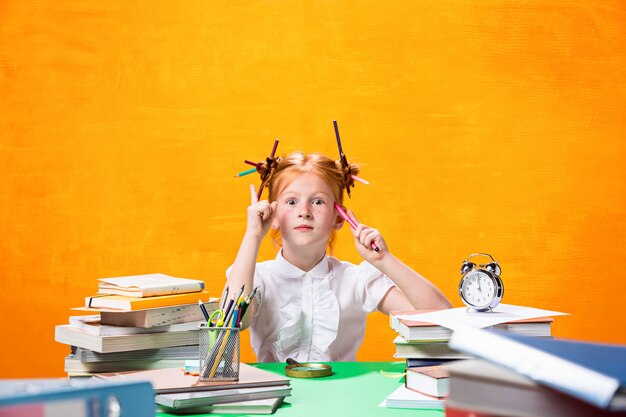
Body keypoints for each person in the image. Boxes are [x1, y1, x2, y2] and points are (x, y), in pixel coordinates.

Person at [225, 151, 451, 362]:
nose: (304, 211)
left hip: (344, 399)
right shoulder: (256, 278)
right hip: (275, 399)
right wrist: (252, 236)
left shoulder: (356, 279)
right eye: (291, 202)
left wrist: (385, 261)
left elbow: (441, 318)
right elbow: (231, 323)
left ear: (338, 218)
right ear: (273, 214)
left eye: (318, 201)